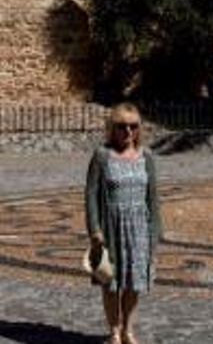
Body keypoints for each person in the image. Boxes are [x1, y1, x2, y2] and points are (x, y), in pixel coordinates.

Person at [84, 103, 162, 344]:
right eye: (121, 126)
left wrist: (155, 232)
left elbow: (153, 197)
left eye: (133, 126)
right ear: (112, 128)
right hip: (110, 229)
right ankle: (114, 331)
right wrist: (95, 229)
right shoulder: (102, 156)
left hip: (139, 228)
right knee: (110, 283)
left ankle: (128, 329)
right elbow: (91, 195)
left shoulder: (146, 156)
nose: (127, 131)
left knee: (134, 282)